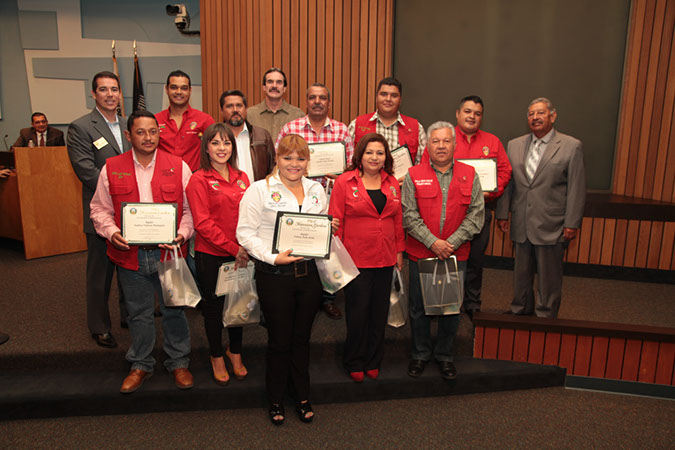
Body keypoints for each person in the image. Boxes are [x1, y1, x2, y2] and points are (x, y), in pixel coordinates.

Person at [90, 110, 195, 394]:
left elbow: (189, 210)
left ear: (159, 133)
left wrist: (182, 234)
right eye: (140, 132)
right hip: (129, 256)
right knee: (139, 313)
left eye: (153, 131)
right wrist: (111, 232)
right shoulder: (111, 167)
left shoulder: (179, 166)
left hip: (169, 255)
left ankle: (179, 362)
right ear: (128, 135)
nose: (148, 137)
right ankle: (141, 363)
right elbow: (99, 208)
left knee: (175, 311)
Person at [237, 134, 337, 425]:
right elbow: (244, 233)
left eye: (301, 158)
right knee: (280, 341)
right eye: (287, 157)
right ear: (277, 159)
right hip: (275, 275)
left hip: (309, 277)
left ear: (308, 162)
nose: (294, 164)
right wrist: (271, 257)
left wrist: (330, 227)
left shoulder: (317, 189)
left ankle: (302, 395)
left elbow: (318, 229)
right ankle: (276, 399)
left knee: (301, 339)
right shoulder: (259, 190)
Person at [402, 121, 484, 380]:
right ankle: (420, 353)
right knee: (419, 308)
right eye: (435, 141)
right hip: (421, 252)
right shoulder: (413, 174)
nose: (440, 145)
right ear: (427, 144)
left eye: (446, 141)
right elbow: (408, 215)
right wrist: (433, 242)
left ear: (454, 144)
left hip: (455, 256)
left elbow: (477, 215)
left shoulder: (470, 174)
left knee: (450, 308)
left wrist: (451, 243)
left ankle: (445, 355)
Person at [496, 98, 585, 318]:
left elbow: (577, 187)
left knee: (549, 275)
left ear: (552, 116)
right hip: (521, 220)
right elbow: (509, 182)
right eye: (531, 114)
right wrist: (502, 213)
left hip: (552, 222)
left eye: (541, 113)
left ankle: (546, 315)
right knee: (521, 272)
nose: (535, 118)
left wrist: (572, 223)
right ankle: (520, 309)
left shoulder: (571, 146)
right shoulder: (514, 145)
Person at [329, 133, 405, 382]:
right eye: (369, 152)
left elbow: (397, 221)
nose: (374, 157)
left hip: (385, 259)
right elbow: (335, 223)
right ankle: (354, 360)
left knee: (379, 313)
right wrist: (337, 258)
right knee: (358, 313)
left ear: (386, 158)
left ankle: (374, 359)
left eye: (380, 153)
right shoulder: (344, 182)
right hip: (355, 260)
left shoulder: (392, 182)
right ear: (360, 155)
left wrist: (399, 252)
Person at [275, 83, 355, 320]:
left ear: (329, 103)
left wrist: (340, 174)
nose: (317, 101)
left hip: (333, 198)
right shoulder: (291, 128)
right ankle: (302, 294)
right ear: (306, 101)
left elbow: (351, 167)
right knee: (303, 244)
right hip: (297, 198)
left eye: (322, 98)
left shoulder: (341, 131)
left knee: (328, 249)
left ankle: (328, 298)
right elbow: (279, 160)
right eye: (312, 97)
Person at [67, 71, 131, 349]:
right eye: (103, 90)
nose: (109, 94)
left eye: (114, 89)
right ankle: (99, 326)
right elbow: (86, 170)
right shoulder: (81, 127)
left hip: (132, 212)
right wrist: (118, 195)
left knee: (131, 268)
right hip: (101, 212)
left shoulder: (131, 124)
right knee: (100, 274)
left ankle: (129, 315)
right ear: (93, 94)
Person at [186, 123, 250, 385]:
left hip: (242, 253)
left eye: (226, 143)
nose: (221, 148)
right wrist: (235, 249)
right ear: (207, 147)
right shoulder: (198, 179)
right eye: (215, 143)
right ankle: (216, 355)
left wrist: (246, 247)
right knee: (213, 309)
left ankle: (234, 352)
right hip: (211, 254)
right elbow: (202, 224)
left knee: (238, 306)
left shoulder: (243, 177)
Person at [453, 95, 512, 319]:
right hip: (451, 212)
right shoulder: (445, 139)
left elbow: (505, 170)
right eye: (468, 111)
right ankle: (448, 302)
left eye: (477, 113)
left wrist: (494, 191)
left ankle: (472, 303)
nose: (472, 116)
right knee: (451, 258)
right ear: (458, 114)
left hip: (480, 211)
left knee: (476, 260)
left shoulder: (492, 142)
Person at [348, 77, 427, 167]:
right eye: (384, 94)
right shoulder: (357, 124)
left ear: (400, 100)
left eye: (394, 95)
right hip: (364, 180)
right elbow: (349, 162)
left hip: (402, 181)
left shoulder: (416, 128)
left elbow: (423, 165)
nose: (388, 99)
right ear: (376, 97)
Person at [156, 70, 215, 172]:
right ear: (166, 89)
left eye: (184, 88)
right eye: (174, 87)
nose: (179, 92)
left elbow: (215, 150)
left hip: (194, 178)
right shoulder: (156, 120)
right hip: (164, 177)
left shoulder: (204, 120)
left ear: (190, 90)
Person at [219, 89, 275, 181]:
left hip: (257, 193)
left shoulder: (262, 135)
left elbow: (273, 169)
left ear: (246, 109)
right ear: (221, 111)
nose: (235, 110)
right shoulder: (215, 139)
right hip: (226, 194)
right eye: (229, 106)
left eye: (239, 106)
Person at [247, 68, 305, 141]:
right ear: (264, 87)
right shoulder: (250, 115)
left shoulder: (298, 115)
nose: (274, 86)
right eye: (270, 82)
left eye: (279, 82)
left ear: (284, 88)